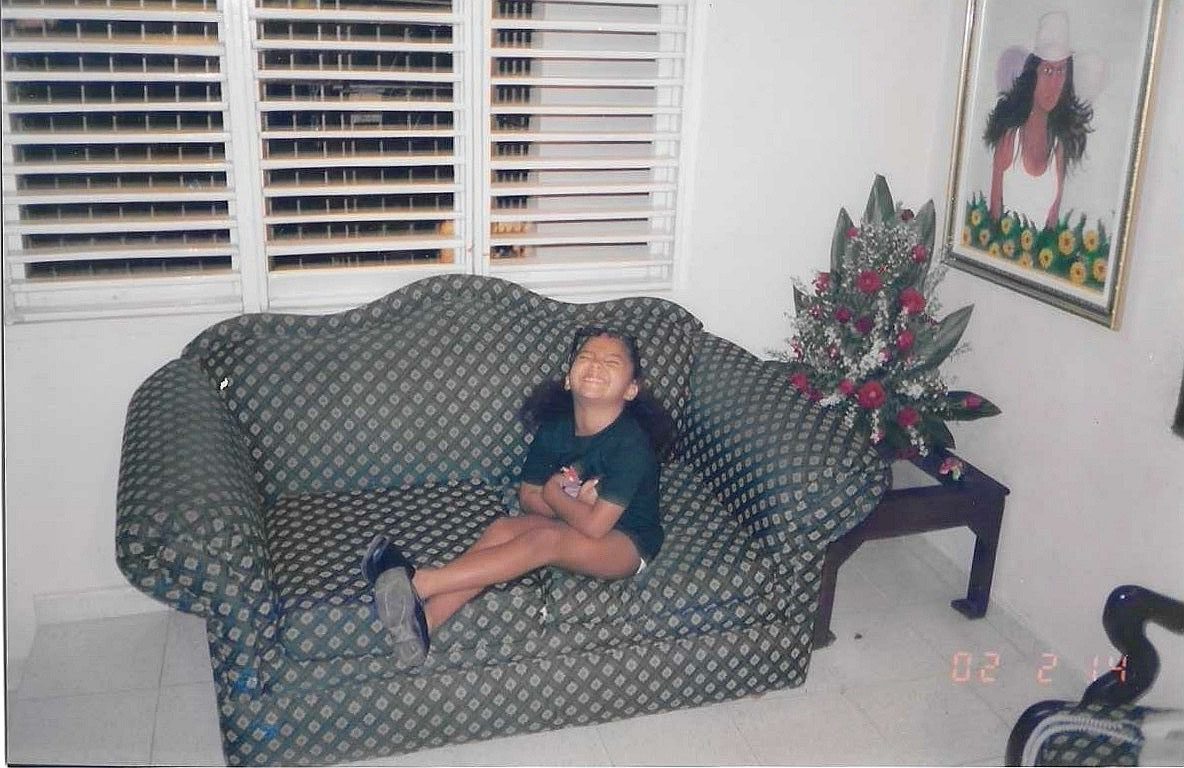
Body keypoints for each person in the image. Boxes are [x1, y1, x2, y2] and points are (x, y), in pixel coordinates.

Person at [360, 325, 674, 664]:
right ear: (568, 379)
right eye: (586, 357)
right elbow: (527, 497)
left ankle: (419, 583)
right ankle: (427, 621)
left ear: (631, 389)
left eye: (611, 362)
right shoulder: (556, 426)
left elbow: (594, 526)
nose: (596, 364)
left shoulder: (631, 444)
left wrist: (555, 492)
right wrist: (568, 502)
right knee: (503, 528)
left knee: (546, 541)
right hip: (579, 521)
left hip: (627, 542)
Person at [983, 12, 1095, 230]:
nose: (1054, 82)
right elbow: (993, 219)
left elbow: (1052, 224)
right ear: (1032, 75)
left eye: (1061, 71)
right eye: (1047, 70)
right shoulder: (1009, 140)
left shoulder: (1059, 148)